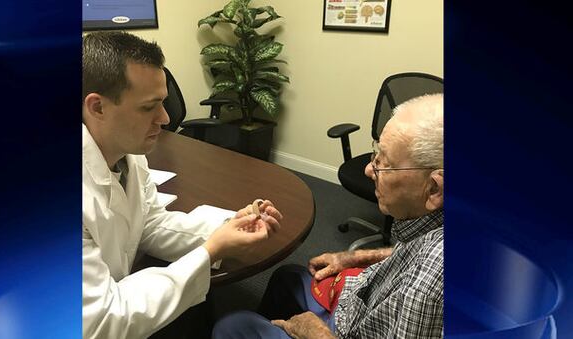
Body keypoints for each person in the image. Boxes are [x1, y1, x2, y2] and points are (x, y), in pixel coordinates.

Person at [82, 31, 283, 339]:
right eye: (149, 107)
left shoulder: (127, 154)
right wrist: (210, 250)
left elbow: (148, 223)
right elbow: (102, 322)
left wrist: (228, 227)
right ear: (97, 107)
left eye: (163, 103)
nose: (164, 118)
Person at [213, 93, 444, 338]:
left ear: (434, 189)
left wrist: (316, 334)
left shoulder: (437, 274)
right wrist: (354, 257)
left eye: (384, 163)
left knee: (233, 326)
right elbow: (411, 253)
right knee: (288, 278)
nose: (369, 169)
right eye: (375, 155)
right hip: (363, 307)